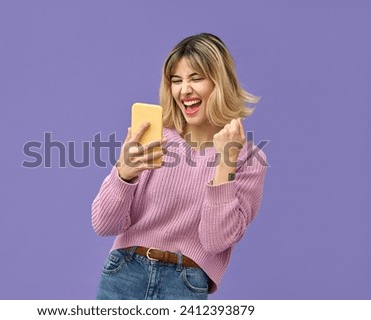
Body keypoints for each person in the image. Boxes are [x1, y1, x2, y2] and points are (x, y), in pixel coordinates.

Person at [91, 33, 267, 300]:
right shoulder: (155, 137)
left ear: (220, 83)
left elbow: (215, 240)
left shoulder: (248, 159)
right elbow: (104, 224)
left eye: (196, 78)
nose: (184, 90)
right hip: (124, 273)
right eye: (176, 81)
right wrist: (123, 175)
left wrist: (225, 163)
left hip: (185, 284)